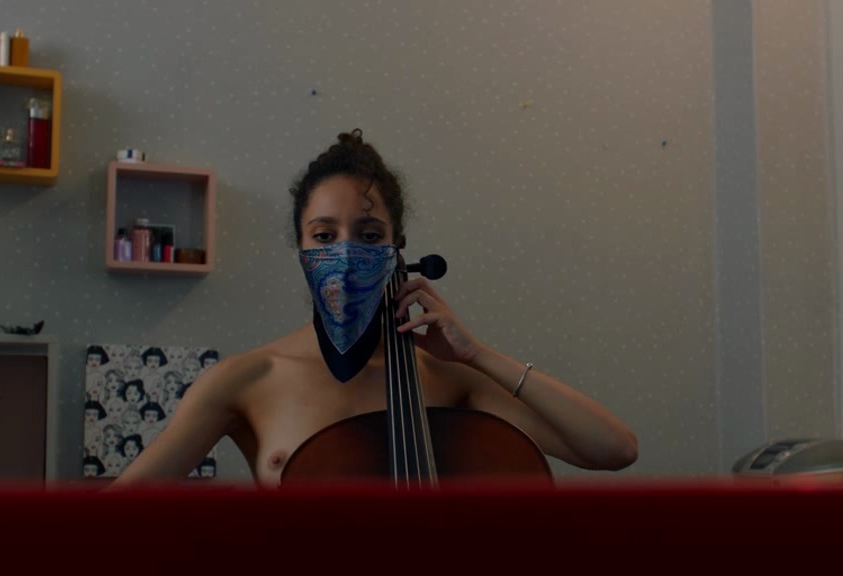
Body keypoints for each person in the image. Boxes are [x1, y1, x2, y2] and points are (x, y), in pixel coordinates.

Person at [113, 130, 637, 488]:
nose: (345, 255)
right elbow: (116, 516)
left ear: (396, 247)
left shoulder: (450, 378)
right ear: (301, 248)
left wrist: (478, 355)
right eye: (324, 236)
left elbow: (614, 450)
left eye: (368, 235)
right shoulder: (247, 379)